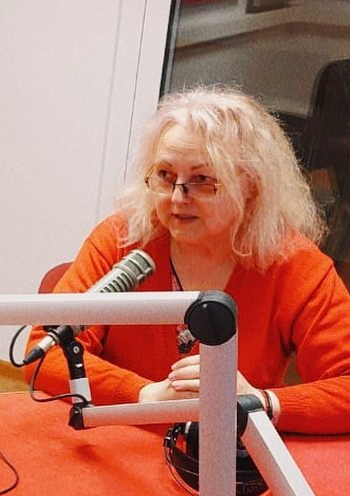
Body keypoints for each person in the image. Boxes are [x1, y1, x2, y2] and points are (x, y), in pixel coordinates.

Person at [24, 86, 350, 435]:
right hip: (120, 440)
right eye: (165, 175)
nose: (178, 197)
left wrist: (259, 402)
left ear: (251, 186)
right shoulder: (122, 238)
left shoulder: (292, 262)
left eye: (202, 180)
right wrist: (144, 395)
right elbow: (45, 354)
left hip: (227, 451)